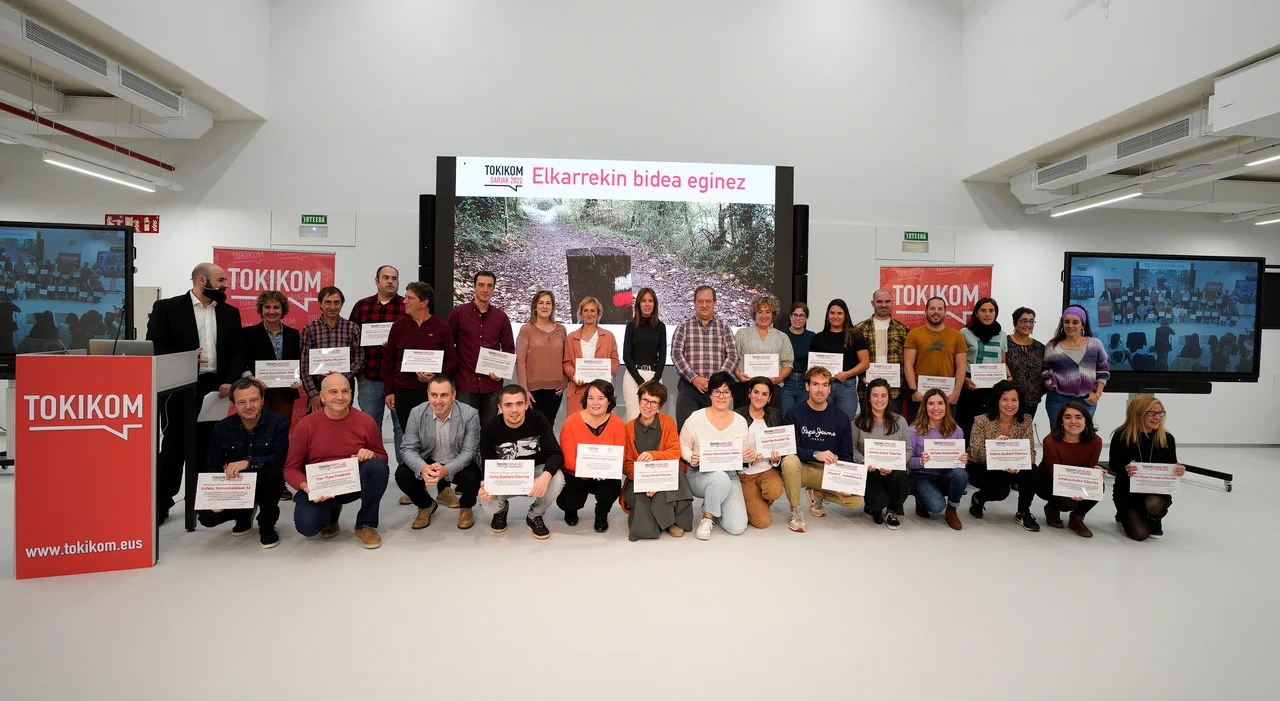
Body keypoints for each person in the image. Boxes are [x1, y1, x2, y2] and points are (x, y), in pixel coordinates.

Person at [146, 263, 244, 524]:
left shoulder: (230, 312)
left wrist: (230, 381)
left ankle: (204, 501)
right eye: (221, 280)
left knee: (209, 445)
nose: (225, 285)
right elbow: (155, 344)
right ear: (202, 280)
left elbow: (237, 350)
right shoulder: (168, 308)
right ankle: (162, 502)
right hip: (179, 386)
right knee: (174, 445)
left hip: (216, 388)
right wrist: (185, 359)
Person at [283, 373, 389, 549]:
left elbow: (382, 457)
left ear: (351, 393)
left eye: (345, 391)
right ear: (322, 397)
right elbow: (291, 468)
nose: (340, 397)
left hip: (351, 482)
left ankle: (365, 524)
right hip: (318, 487)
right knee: (308, 527)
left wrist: (370, 454)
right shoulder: (306, 425)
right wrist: (305, 486)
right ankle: (331, 514)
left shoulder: (365, 421)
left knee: (377, 467)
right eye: (333, 392)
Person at [384, 282, 459, 508]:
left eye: (410, 298)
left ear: (424, 302)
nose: (404, 301)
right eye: (405, 297)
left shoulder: (441, 327)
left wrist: (437, 374)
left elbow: (452, 359)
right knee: (412, 440)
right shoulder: (398, 326)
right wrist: (389, 390)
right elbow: (389, 361)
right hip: (404, 392)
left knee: (440, 439)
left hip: (434, 395)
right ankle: (416, 486)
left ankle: (444, 489)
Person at [196, 378, 289, 548]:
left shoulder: (278, 422)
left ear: (262, 400)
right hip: (237, 485)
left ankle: (267, 526)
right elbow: (212, 465)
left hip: (267, 482)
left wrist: (249, 462)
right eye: (241, 402)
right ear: (233, 405)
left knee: (272, 474)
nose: (248, 406)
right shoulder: (222, 427)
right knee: (207, 517)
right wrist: (214, 497)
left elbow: (280, 458)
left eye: (253, 400)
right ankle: (243, 516)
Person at [477, 385, 566, 540]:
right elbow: (488, 463)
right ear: (500, 407)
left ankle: (535, 515)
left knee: (557, 478)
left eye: (519, 404)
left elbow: (556, 454)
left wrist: (545, 477)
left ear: (526, 404)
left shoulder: (538, 419)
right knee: (486, 503)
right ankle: (500, 511)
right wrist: (488, 484)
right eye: (508, 405)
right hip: (505, 476)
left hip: (534, 475)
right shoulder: (490, 428)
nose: (514, 410)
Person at [395, 374, 482, 532]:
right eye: (434, 395)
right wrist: (422, 467)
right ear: (428, 394)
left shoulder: (469, 414)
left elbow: (469, 451)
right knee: (402, 474)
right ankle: (426, 505)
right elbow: (408, 448)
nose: (438, 401)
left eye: (444, 395)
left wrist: (446, 470)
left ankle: (466, 507)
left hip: (456, 461)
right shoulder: (417, 413)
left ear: (453, 395)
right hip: (428, 460)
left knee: (474, 476)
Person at [780, 366, 861, 532]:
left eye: (825, 385)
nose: (820, 390)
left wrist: (845, 480)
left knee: (856, 501)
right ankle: (795, 510)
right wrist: (815, 454)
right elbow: (789, 449)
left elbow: (846, 454)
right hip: (801, 469)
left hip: (827, 471)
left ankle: (818, 494)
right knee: (789, 461)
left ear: (830, 388)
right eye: (815, 384)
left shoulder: (841, 417)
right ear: (807, 386)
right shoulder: (794, 413)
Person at [679, 371, 752, 540]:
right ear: (710, 394)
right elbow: (682, 445)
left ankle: (712, 503)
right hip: (699, 474)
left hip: (730, 475)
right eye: (717, 391)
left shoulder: (740, 421)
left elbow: (743, 452)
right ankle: (707, 518)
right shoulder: (696, 418)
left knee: (737, 527)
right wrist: (690, 457)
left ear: (731, 395)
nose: (721, 396)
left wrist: (749, 455)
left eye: (726, 392)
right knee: (719, 477)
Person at [348, 265, 406, 467]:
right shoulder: (362, 306)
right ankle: (374, 471)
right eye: (386, 277)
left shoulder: (407, 306)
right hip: (369, 378)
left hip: (399, 380)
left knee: (402, 428)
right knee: (370, 427)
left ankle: (405, 475)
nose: (390, 281)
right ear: (377, 280)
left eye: (394, 278)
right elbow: (351, 340)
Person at [622, 380, 694, 541]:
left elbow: (675, 453)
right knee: (645, 530)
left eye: (654, 402)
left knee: (676, 471)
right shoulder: (628, 428)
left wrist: (654, 456)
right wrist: (647, 480)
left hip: (666, 475)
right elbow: (626, 465)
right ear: (639, 400)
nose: (648, 406)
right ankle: (660, 521)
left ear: (660, 405)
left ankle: (672, 521)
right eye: (645, 400)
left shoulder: (667, 422)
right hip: (640, 479)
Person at [1108, 396, 1185, 542]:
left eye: (1160, 413)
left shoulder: (1167, 438)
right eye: (1151, 413)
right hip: (1128, 493)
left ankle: (1154, 517)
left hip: (1156, 492)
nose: (1157, 417)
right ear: (1138, 414)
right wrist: (1125, 469)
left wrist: (1178, 471)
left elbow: (1171, 465)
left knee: (1155, 506)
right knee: (1140, 534)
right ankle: (1124, 513)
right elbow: (1113, 465)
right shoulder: (1122, 436)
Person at [966, 380, 1039, 532]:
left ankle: (1023, 512)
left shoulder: (1025, 420)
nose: (1009, 404)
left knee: (1032, 471)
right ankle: (979, 498)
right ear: (997, 400)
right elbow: (975, 453)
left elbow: (1030, 451)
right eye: (1004, 399)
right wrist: (995, 448)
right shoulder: (981, 421)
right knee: (1000, 492)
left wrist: (1019, 464)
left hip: (1014, 467)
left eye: (1014, 400)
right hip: (983, 466)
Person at [556, 379, 627, 533]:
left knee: (610, 490)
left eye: (601, 398)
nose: (595, 403)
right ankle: (571, 511)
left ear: (609, 401)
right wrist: (592, 470)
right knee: (569, 501)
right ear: (585, 400)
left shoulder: (617, 424)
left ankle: (601, 514)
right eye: (591, 398)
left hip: (604, 474)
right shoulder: (571, 422)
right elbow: (568, 460)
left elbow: (619, 457)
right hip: (576, 474)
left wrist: (603, 470)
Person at [449, 270, 515, 421]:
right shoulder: (458, 313)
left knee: (489, 428)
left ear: (494, 288)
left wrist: (501, 372)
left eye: (489, 286)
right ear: (474, 287)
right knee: (465, 428)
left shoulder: (501, 317)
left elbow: (509, 349)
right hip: (465, 382)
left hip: (492, 384)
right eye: (481, 285)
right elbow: (448, 345)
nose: (485, 290)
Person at [670, 285, 737, 429]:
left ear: (715, 303)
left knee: (714, 431)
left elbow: (732, 355)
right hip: (688, 387)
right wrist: (694, 378)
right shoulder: (683, 327)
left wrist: (716, 380)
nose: (704, 305)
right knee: (686, 430)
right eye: (700, 301)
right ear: (694, 303)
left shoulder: (724, 328)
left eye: (708, 301)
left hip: (716, 391)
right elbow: (676, 354)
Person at [850, 378, 911, 530]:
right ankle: (874, 506)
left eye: (883, 395)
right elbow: (852, 449)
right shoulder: (857, 422)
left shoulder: (900, 421)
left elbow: (908, 450)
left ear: (889, 398)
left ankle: (892, 510)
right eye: (875, 395)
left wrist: (894, 465)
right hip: (870, 472)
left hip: (893, 471)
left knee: (902, 478)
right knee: (877, 502)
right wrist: (863, 460)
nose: (879, 400)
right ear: (869, 398)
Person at [1037, 401, 1103, 538]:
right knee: (1067, 502)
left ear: (1086, 420)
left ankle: (1077, 517)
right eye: (1067, 417)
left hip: (1078, 479)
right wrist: (1073, 490)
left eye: (1078, 417)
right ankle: (1052, 508)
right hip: (1049, 481)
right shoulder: (1050, 441)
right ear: (1061, 421)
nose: (1073, 421)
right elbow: (1055, 473)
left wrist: (1096, 474)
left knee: (1098, 486)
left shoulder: (1096, 441)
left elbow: (1090, 468)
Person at [907, 388, 968, 530]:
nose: (936, 408)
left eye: (940, 403)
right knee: (936, 506)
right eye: (931, 404)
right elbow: (907, 461)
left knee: (961, 474)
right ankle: (921, 499)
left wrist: (962, 459)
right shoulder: (913, 430)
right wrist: (920, 461)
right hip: (921, 475)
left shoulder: (957, 430)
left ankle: (952, 509)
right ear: (924, 407)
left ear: (946, 406)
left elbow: (958, 465)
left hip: (945, 474)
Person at [300, 286, 365, 414]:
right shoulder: (310, 329)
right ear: (320, 304)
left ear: (342, 304)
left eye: (336, 302)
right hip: (317, 386)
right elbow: (304, 364)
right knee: (317, 424)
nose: (332, 307)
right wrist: (313, 394)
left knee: (343, 421)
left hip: (344, 385)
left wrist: (342, 376)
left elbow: (360, 359)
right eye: (328, 302)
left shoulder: (352, 328)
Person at [241, 290, 302, 425]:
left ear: (282, 309)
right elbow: (241, 362)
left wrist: (298, 378)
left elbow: (298, 361)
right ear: (261, 309)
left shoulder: (293, 334)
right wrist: (252, 379)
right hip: (256, 391)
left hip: (285, 393)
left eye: (276, 307)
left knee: (281, 429)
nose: (272, 311)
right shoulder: (248, 334)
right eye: (267, 307)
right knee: (256, 428)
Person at [903, 296, 966, 421]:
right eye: (932, 308)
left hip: (947, 397)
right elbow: (908, 365)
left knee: (946, 432)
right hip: (921, 396)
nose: (936, 312)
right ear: (926, 311)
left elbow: (961, 367)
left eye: (940, 309)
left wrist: (956, 393)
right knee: (918, 431)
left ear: (945, 312)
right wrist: (914, 391)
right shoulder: (913, 334)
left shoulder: (957, 336)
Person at [1041, 306, 1109, 421]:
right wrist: (1048, 382)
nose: (1070, 326)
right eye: (1066, 322)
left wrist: (1097, 394)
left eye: (1075, 322)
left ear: (1083, 325)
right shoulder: (1053, 345)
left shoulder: (1095, 344)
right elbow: (1045, 368)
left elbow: (1103, 371)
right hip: (1058, 399)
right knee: (1057, 431)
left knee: (1083, 432)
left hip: (1086, 400)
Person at [734, 377, 785, 529]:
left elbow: (780, 444)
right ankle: (749, 501)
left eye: (764, 394)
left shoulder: (775, 415)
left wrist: (776, 459)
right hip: (745, 474)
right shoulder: (737, 416)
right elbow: (730, 449)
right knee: (762, 522)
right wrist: (746, 458)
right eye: (756, 392)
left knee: (774, 491)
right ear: (749, 393)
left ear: (769, 398)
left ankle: (760, 499)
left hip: (766, 470)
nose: (759, 397)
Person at [809, 299, 868, 420]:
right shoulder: (818, 337)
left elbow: (865, 363)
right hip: (823, 386)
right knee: (823, 422)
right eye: (832, 313)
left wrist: (847, 374)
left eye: (839, 313)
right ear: (827, 315)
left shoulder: (855, 336)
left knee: (845, 423)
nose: (835, 316)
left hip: (846, 386)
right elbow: (812, 367)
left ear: (845, 316)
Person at [956, 297, 1007, 439]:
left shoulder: (1002, 335)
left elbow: (1003, 362)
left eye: (991, 311)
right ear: (976, 313)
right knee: (968, 425)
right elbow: (958, 362)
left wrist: (1008, 378)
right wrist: (964, 380)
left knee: (992, 426)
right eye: (983, 310)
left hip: (994, 387)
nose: (987, 314)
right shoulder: (964, 333)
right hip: (970, 386)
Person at [515, 290, 567, 426]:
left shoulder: (561, 330)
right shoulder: (526, 330)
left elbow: (566, 358)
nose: (544, 306)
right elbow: (521, 362)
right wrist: (524, 390)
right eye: (541, 303)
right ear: (535, 306)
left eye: (548, 303)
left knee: (549, 426)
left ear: (553, 307)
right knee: (534, 427)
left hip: (555, 390)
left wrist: (565, 381)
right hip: (532, 390)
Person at [732, 295, 794, 407]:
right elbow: (733, 358)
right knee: (742, 417)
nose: (764, 316)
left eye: (768, 312)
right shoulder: (742, 334)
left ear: (773, 314)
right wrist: (737, 373)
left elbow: (788, 363)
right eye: (760, 312)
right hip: (745, 387)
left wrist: (777, 379)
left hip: (772, 388)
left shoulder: (782, 337)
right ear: (754, 314)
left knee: (771, 417)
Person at [561, 296, 620, 413]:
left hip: (601, 390)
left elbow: (614, 361)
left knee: (601, 423)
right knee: (577, 423)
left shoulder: (608, 336)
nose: (589, 314)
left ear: (598, 313)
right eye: (585, 310)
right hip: (578, 390)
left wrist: (607, 373)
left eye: (592, 310)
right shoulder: (571, 337)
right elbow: (567, 363)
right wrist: (574, 375)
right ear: (581, 313)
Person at [852, 289, 910, 407]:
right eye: (879, 301)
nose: (884, 305)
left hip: (894, 391)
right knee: (868, 420)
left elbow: (909, 361)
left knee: (893, 420)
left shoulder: (903, 330)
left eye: (887, 301)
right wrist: (862, 377)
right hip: (867, 389)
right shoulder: (859, 329)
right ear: (872, 303)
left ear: (892, 302)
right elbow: (852, 359)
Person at [621, 287, 666, 422]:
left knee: (651, 420)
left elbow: (662, 356)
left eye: (650, 301)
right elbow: (626, 356)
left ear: (655, 304)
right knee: (633, 419)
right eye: (643, 301)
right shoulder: (631, 326)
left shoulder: (660, 327)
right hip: (633, 378)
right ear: (638, 304)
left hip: (654, 377)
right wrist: (640, 381)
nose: (647, 304)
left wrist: (654, 381)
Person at [1005, 307, 1045, 420]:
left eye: (1031, 321)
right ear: (1014, 322)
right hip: (1008, 399)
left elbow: (1045, 370)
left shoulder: (1039, 347)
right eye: (1024, 321)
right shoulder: (1005, 342)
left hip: (1032, 400)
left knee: (1025, 428)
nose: (1028, 325)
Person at [780, 302, 814, 416]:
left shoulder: (812, 336)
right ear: (790, 316)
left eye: (802, 315)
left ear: (806, 318)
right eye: (795, 315)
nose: (798, 318)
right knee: (786, 417)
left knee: (802, 417)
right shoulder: (781, 335)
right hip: (785, 382)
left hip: (805, 383)